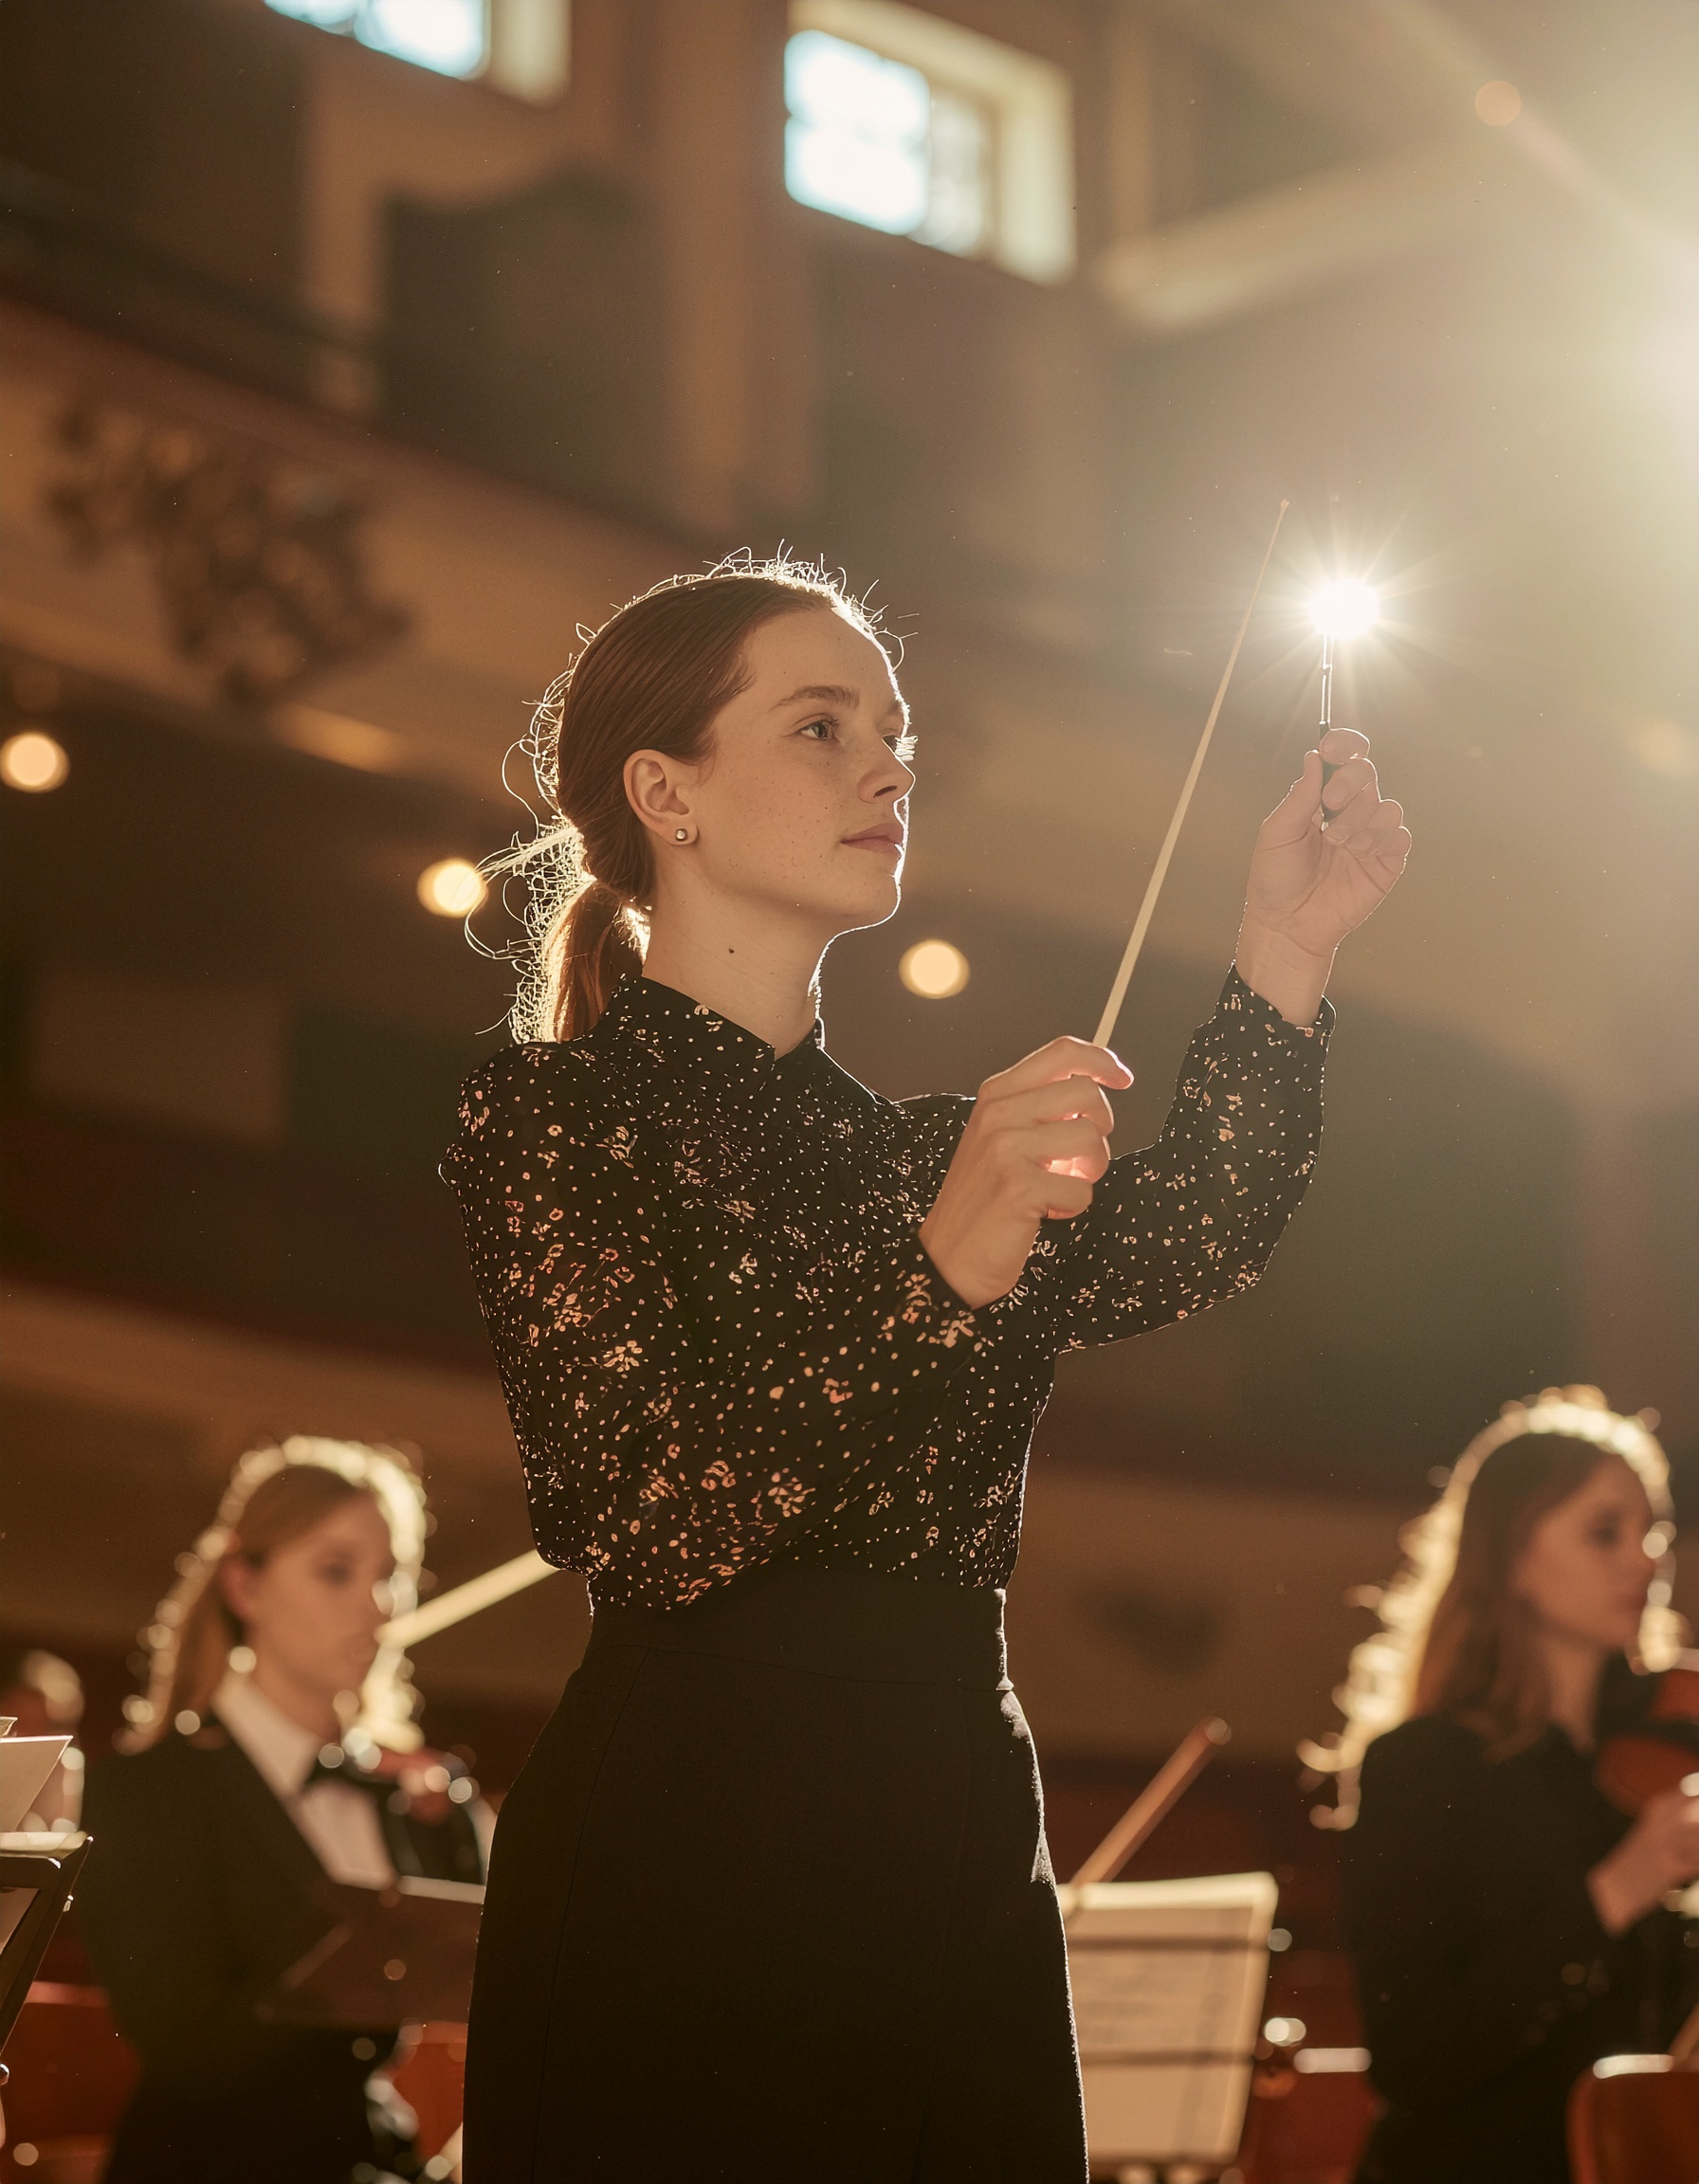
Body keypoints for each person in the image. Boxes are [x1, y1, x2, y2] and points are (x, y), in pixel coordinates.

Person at [443, 558, 1410, 2181]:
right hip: (687, 1836)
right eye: (822, 727)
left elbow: (1190, 1233)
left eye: (895, 733)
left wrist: (1284, 947)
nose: (890, 769)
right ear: (665, 793)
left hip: (952, 1826)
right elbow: (652, 1513)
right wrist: (940, 1277)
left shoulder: (926, 1157)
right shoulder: (556, 1114)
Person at [1311, 1387, 1699, 2183]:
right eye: (1605, 1532)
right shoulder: (1424, 1768)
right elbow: (1412, 2057)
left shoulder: (1668, 1747)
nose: (1646, 1559)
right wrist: (1617, 1891)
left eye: (1653, 1531)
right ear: (1513, 1558)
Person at [78, 1435, 484, 2184]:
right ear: (245, 1587)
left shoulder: (410, 1799)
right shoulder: (146, 1791)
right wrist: (362, 1942)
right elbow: (181, 2046)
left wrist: (458, 1839)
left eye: (391, 1576)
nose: (377, 1606)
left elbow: (491, 1996)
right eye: (336, 1570)